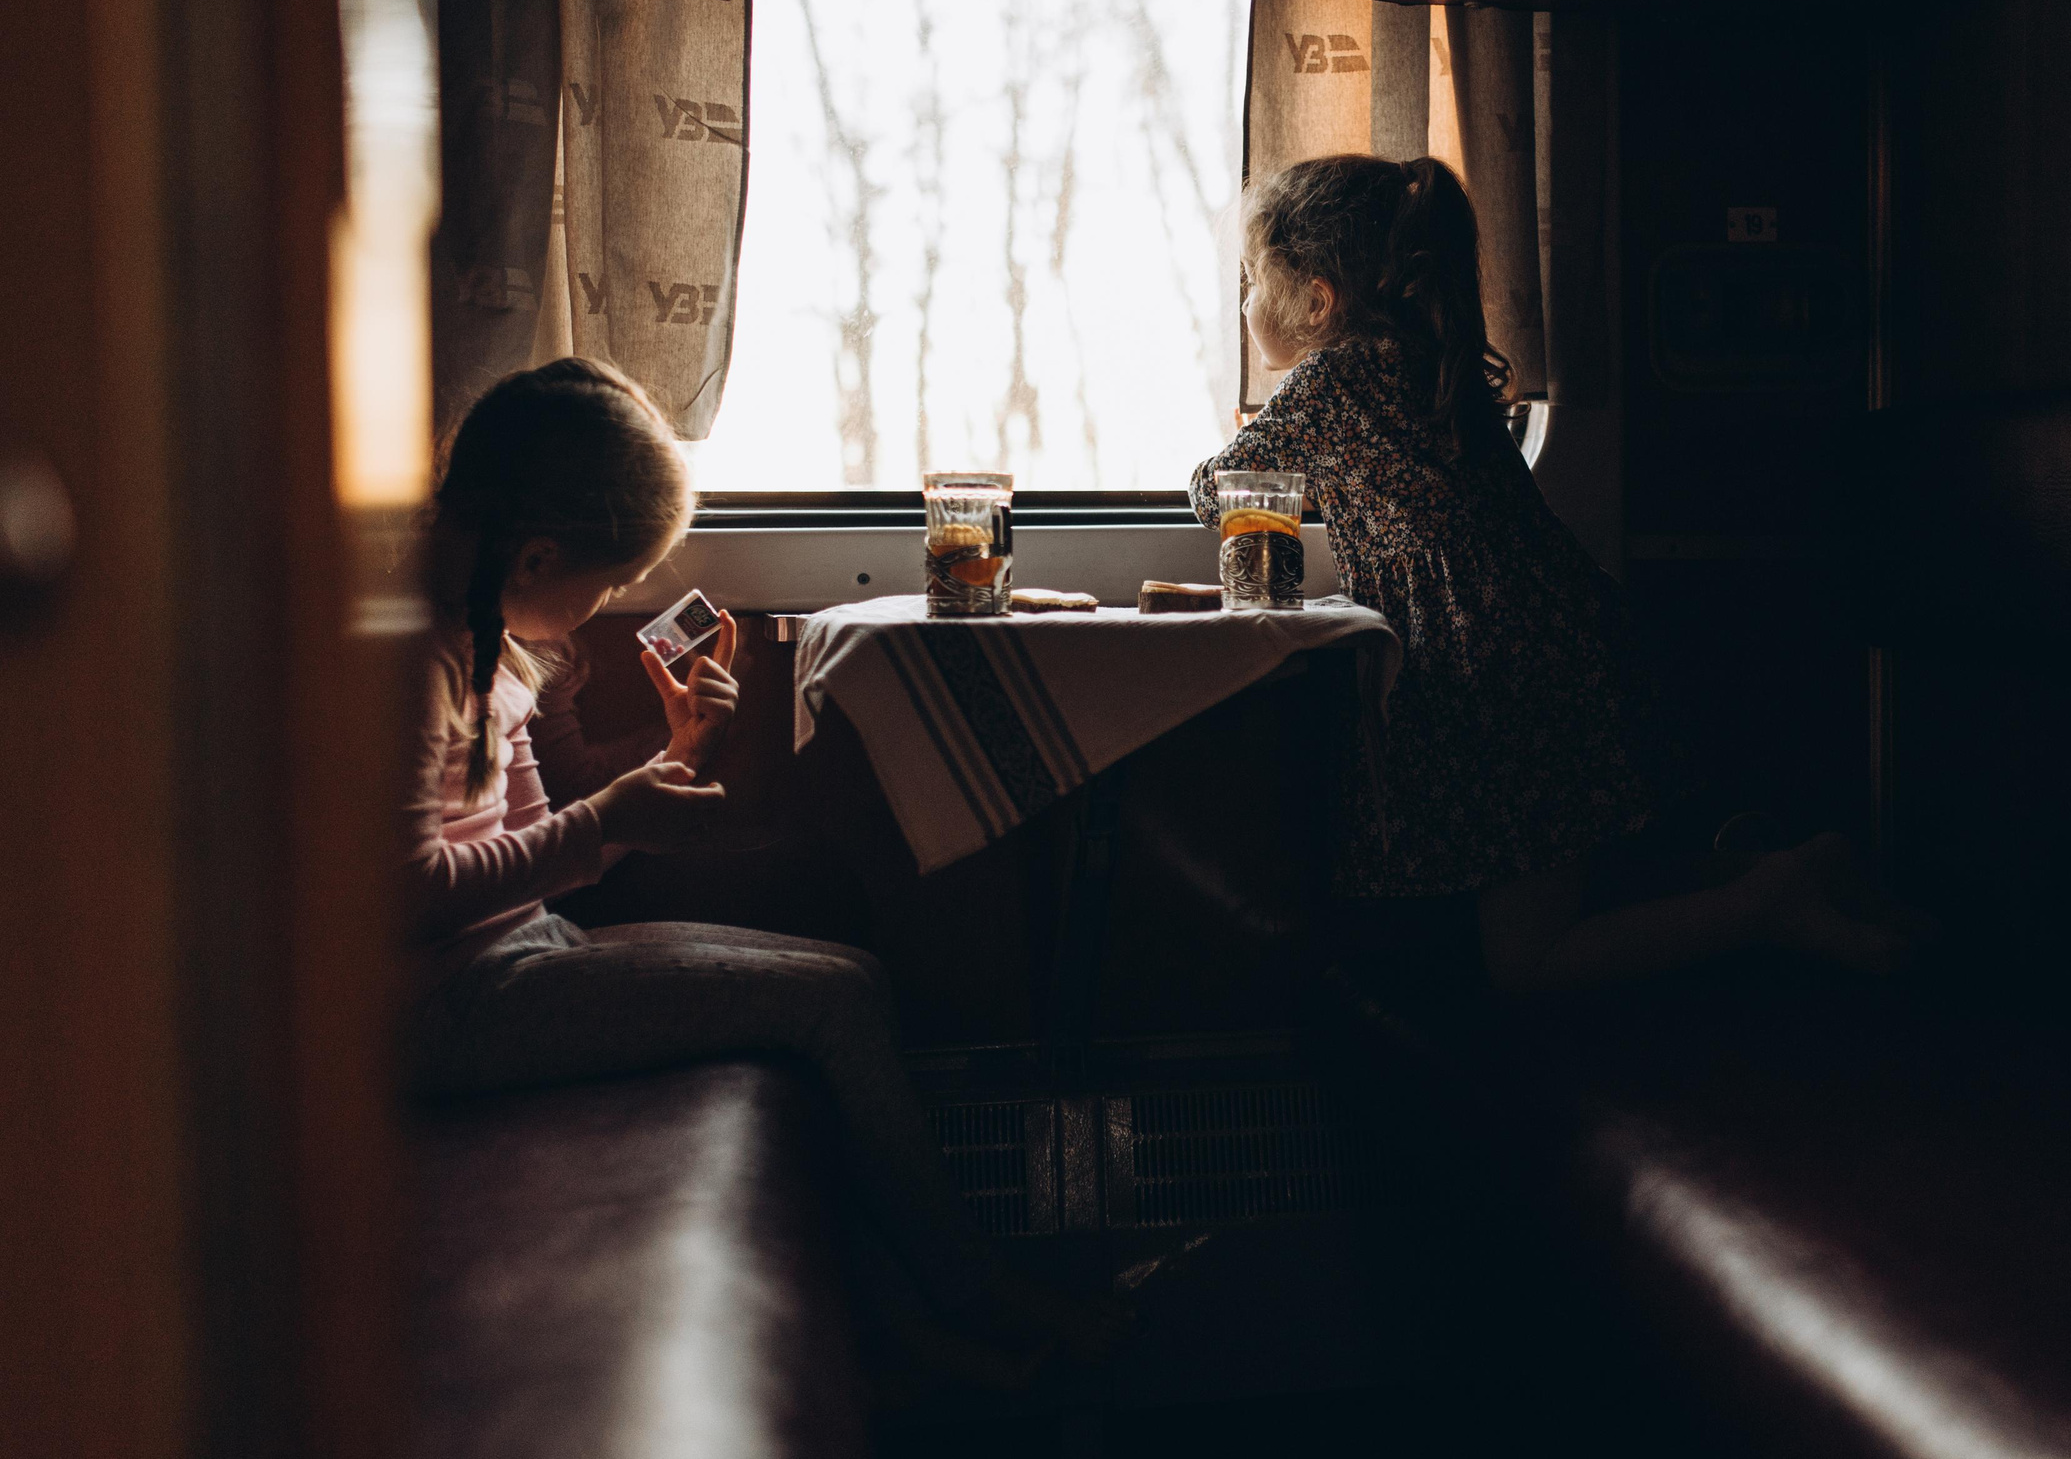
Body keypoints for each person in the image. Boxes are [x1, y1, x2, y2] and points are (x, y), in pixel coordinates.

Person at [405, 357, 1124, 1389]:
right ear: (535, 555)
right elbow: (402, 894)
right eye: (606, 582)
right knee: (827, 1001)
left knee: (849, 978)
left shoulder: (500, 654)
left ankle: (904, 1321)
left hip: (519, 953)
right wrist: (609, 819)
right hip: (444, 1004)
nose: (609, 602)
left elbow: (540, 856)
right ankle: (972, 1292)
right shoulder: (411, 665)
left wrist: (674, 757)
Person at [1192, 155, 1908, 993]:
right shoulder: (1428, 357)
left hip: (1493, 671)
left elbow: (1217, 489)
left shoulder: (1333, 381)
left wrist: (1264, 427)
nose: (1244, 304)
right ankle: (1801, 867)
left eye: (1252, 281)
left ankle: (1772, 905)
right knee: (1585, 887)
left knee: (1530, 958)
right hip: (1556, 637)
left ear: (1317, 299)